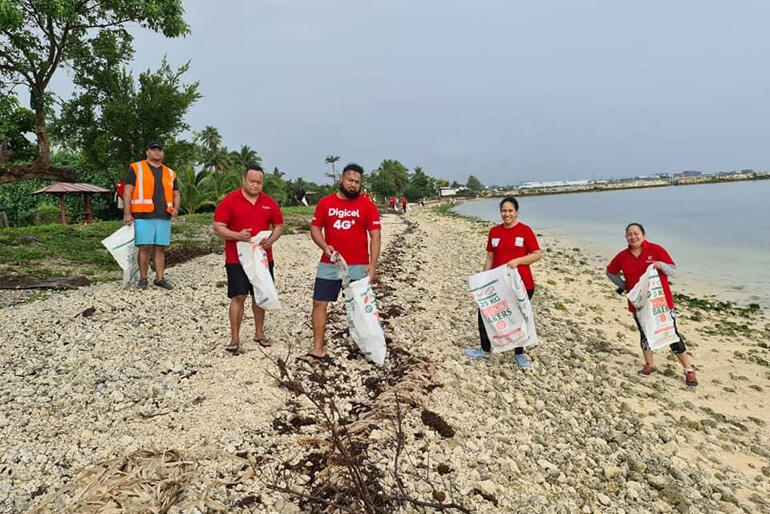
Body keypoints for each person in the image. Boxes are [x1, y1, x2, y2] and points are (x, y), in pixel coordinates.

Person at [300, 163, 381, 362]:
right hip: (330, 263)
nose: (353, 185)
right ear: (341, 180)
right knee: (319, 303)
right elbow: (315, 229)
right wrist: (324, 246)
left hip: (359, 265)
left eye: (357, 182)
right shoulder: (326, 203)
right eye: (350, 180)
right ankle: (318, 348)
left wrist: (373, 264)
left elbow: (375, 235)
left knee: (358, 307)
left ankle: (362, 345)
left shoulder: (367, 205)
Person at [606, 223, 697, 386]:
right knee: (644, 334)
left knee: (671, 335)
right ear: (625, 237)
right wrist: (624, 286)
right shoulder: (622, 256)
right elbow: (610, 272)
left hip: (661, 303)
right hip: (639, 304)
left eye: (636, 233)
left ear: (643, 234)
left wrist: (660, 265)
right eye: (629, 234)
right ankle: (649, 364)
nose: (633, 237)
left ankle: (688, 369)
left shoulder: (656, 250)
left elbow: (673, 270)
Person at [213, 165, 284, 353]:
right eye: (252, 181)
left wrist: (272, 239)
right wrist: (236, 235)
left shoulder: (269, 202)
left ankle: (259, 333)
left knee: (260, 295)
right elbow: (218, 227)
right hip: (236, 258)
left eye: (259, 182)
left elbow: (278, 225)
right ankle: (234, 338)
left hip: (262, 257)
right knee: (238, 296)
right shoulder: (230, 201)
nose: (255, 185)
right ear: (244, 180)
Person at [465, 197, 541, 370]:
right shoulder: (494, 231)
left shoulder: (525, 230)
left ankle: (519, 353)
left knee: (518, 319)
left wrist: (519, 260)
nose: (507, 214)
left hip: (521, 284)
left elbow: (537, 254)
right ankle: (485, 350)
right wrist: (481, 283)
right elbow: (490, 257)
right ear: (500, 212)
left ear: (516, 212)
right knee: (484, 314)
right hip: (497, 285)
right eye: (504, 211)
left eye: (510, 211)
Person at [123, 141, 180, 290]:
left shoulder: (170, 172)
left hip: (163, 215)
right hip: (143, 214)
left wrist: (176, 209)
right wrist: (127, 213)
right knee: (145, 246)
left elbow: (176, 193)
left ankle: (160, 278)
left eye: (159, 150)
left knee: (160, 247)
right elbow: (128, 191)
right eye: (153, 149)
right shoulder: (136, 168)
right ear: (147, 152)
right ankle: (143, 278)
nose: (157, 152)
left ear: (162, 153)